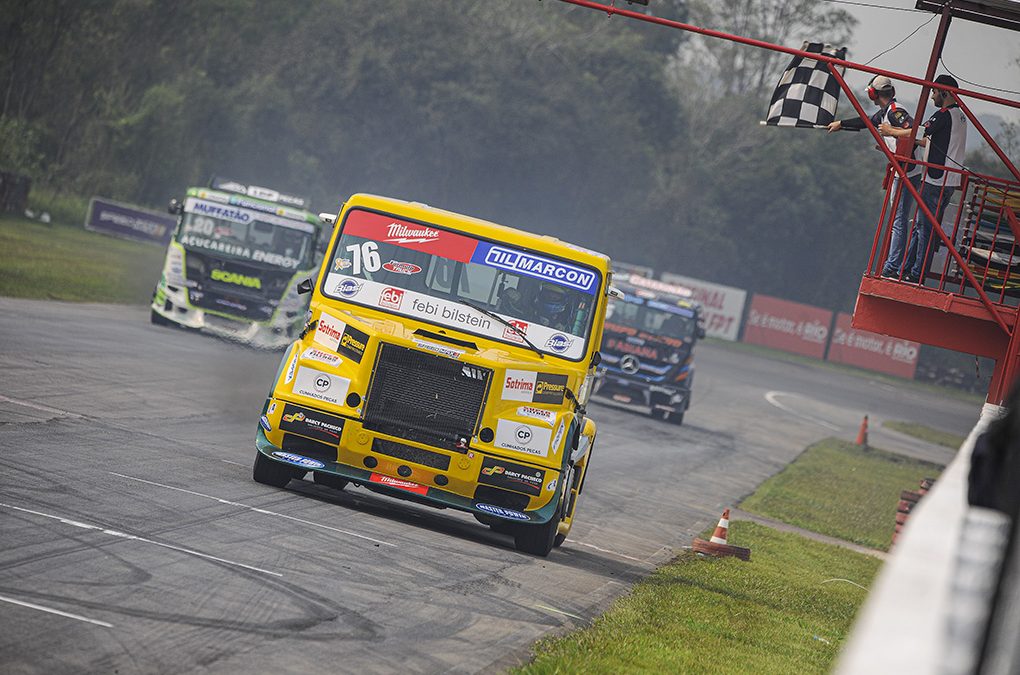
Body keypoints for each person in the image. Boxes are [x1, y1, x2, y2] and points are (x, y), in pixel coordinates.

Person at [828, 75, 922, 278]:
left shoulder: (896, 113)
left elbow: (916, 133)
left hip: (906, 172)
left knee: (899, 220)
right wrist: (841, 124)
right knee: (899, 219)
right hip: (905, 170)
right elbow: (866, 122)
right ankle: (894, 264)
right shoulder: (886, 112)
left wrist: (892, 132)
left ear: (874, 94)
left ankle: (892, 266)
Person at [880, 74, 968, 283]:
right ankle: (909, 269)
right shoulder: (960, 117)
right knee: (922, 227)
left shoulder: (944, 115)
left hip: (936, 180)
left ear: (944, 92)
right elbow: (931, 140)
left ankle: (916, 273)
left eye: (935, 91)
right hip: (948, 181)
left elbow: (920, 132)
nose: (932, 96)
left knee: (924, 229)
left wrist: (891, 131)